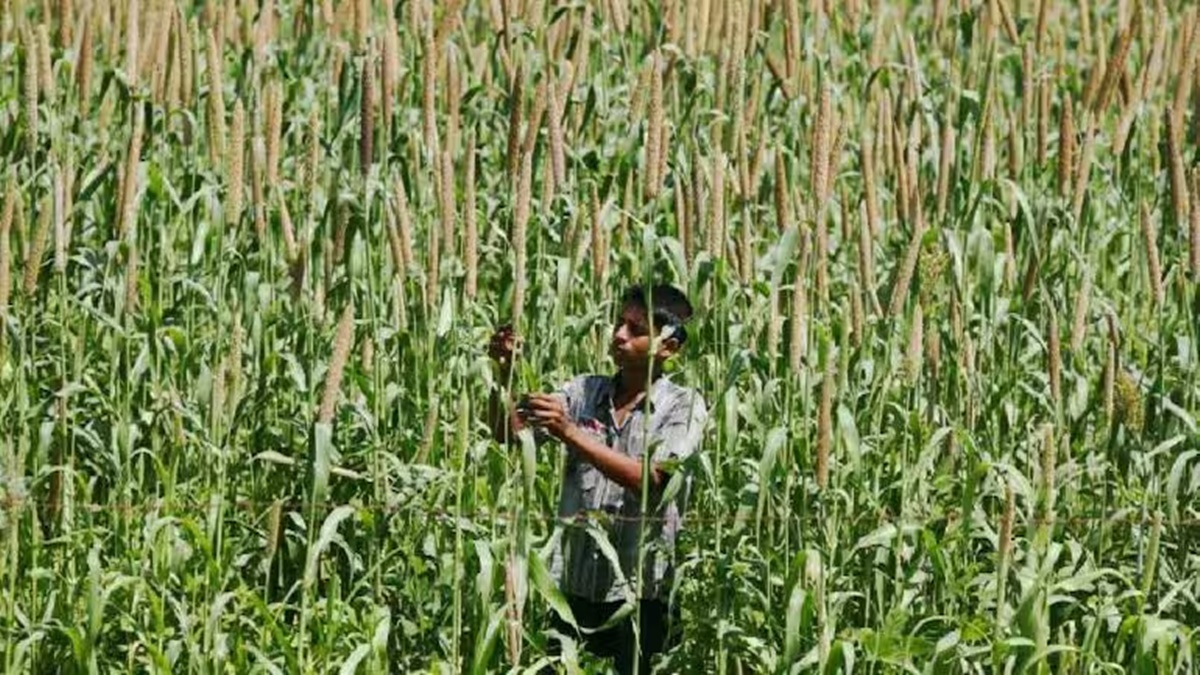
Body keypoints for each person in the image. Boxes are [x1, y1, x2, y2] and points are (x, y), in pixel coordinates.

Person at [486, 284, 708, 675]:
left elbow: (654, 480)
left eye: (636, 329)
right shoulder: (584, 390)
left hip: (642, 595)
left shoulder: (683, 406)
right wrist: (504, 374)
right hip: (573, 588)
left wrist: (570, 432)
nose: (619, 334)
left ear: (669, 348)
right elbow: (509, 432)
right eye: (619, 323)